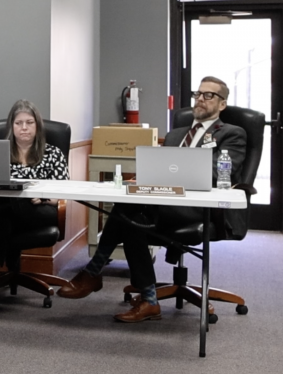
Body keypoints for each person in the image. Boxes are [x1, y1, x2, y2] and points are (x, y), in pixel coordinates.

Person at [57, 76, 246, 323]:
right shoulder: (176, 134)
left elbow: (219, 173)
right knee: (130, 216)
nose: (200, 99)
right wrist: (145, 177)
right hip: (166, 203)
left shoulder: (233, 134)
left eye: (208, 95)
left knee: (127, 209)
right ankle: (149, 300)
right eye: (197, 94)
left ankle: (93, 272)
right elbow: (167, 170)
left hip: (202, 208)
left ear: (222, 104)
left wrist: (169, 177)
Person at [0, 100, 68, 315]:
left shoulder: (53, 154)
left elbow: (62, 195)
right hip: (4, 213)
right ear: (11, 127)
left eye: (29, 123)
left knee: (11, 198)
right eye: (18, 123)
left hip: (39, 212)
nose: (24, 128)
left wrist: (41, 198)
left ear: (37, 126)